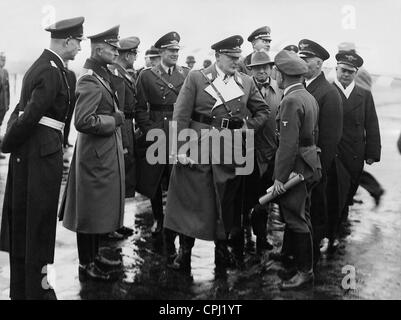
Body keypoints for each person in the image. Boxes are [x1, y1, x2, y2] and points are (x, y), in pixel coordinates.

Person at [164, 35, 269, 273]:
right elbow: (180, 115)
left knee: (226, 203)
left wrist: (246, 128)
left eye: (237, 57)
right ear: (218, 56)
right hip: (196, 148)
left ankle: (222, 252)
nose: (236, 61)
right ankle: (185, 252)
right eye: (231, 57)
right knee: (191, 203)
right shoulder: (196, 78)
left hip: (230, 151)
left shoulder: (246, 81)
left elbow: (262, 111)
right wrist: (177, 150)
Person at [0, 17, 85, 300]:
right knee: (36, 221)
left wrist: (12, 140)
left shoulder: (51, 67)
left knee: (30, 221)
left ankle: (28, 287)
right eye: (78, 42)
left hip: (37, 151)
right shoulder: (50, 71)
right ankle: (36, 288)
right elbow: (30, 114)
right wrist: (8, 143)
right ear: (67, 41)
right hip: (39, 154)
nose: (79, 48)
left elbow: (21, 112)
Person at [59, 25, 126, 282]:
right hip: (94, 156)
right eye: (112, 48)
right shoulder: (89, 78)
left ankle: (95, 256)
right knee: (88, 212)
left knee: (97, 209)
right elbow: (83, 121)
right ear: (98, 49)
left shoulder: (101, 75)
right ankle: (86, 263)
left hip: (101, 153)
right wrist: (114, 120)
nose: (115, 52)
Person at [135, 32, 189, 253]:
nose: (175, 54)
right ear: (161, 53)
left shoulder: (186, 74)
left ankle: (176, 221)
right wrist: (150, 129)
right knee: (156, 178)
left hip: (179, 130)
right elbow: (139, 108)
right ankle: (159, 218)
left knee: (179, 177)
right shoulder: (147, 76)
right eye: (170, 51)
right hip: (157, 129)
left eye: (177, 51)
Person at [272, 50, 321, 290]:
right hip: (309, 164)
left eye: (276, 72)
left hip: (295, 170)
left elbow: (288, 145)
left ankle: (305, 272)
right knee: (305, 216)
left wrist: (279, 179)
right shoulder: (308, 96)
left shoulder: (291, 100)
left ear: (282, 75)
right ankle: (302, 266)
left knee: (296, 219)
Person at [298, 39, 343, 266]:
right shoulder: (305, 87)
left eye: (306, 59)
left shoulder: (328, 93)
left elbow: (330, 138)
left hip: (314, 169)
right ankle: (296, 254)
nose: (302, 63)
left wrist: (318, 171)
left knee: (314, 212)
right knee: (300, 211)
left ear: (318, 63)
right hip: (302, 166)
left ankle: (311, 261)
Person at [333, 50, 381, 237]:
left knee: (349, 193)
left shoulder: (364, 95)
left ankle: (341, 224)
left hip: (355, 153)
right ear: (336, 69)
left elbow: (372, 124)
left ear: (355, 74)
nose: (345, 75)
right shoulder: (328, 91)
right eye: (343, 70)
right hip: (334, 153)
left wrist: (372, 153)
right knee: (333, 194)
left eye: (350, 72)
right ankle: (332, 230)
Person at [242, 51, 281, 254]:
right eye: (257, 68)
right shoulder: (243, 89)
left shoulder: (279, 90)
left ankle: (262, 237)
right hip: (247, 152)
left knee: (264, 199)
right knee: (244, 197)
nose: (262, 71)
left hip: (270, 153)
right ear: (251, 70)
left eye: (266, 67)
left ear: (271, 68)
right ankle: (239, 235)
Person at [107, 36, 141, 240]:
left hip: (128, 125)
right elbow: (118, 108)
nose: (135, 57)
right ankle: (111, 225)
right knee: (117, 175)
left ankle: (116, 222)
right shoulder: (117, 75)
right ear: (128, 55)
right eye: (135, 53)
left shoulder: (123, 74)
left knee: (123, 175)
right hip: (122, 126)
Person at [62, 63, 77, 148]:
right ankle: (62, 142)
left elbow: (75, 88)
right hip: (63, 103)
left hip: (71, 102)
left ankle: (65, 141)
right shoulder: (60, 73)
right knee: (62, 123)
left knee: (68, 123)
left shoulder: (71, 74)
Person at [0, 52, 10, 159]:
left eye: (4, 59)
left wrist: (8, 104)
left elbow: (7, 90)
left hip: (3, 106)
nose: (3, 61)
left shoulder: (5, 72)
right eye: (1, 59)